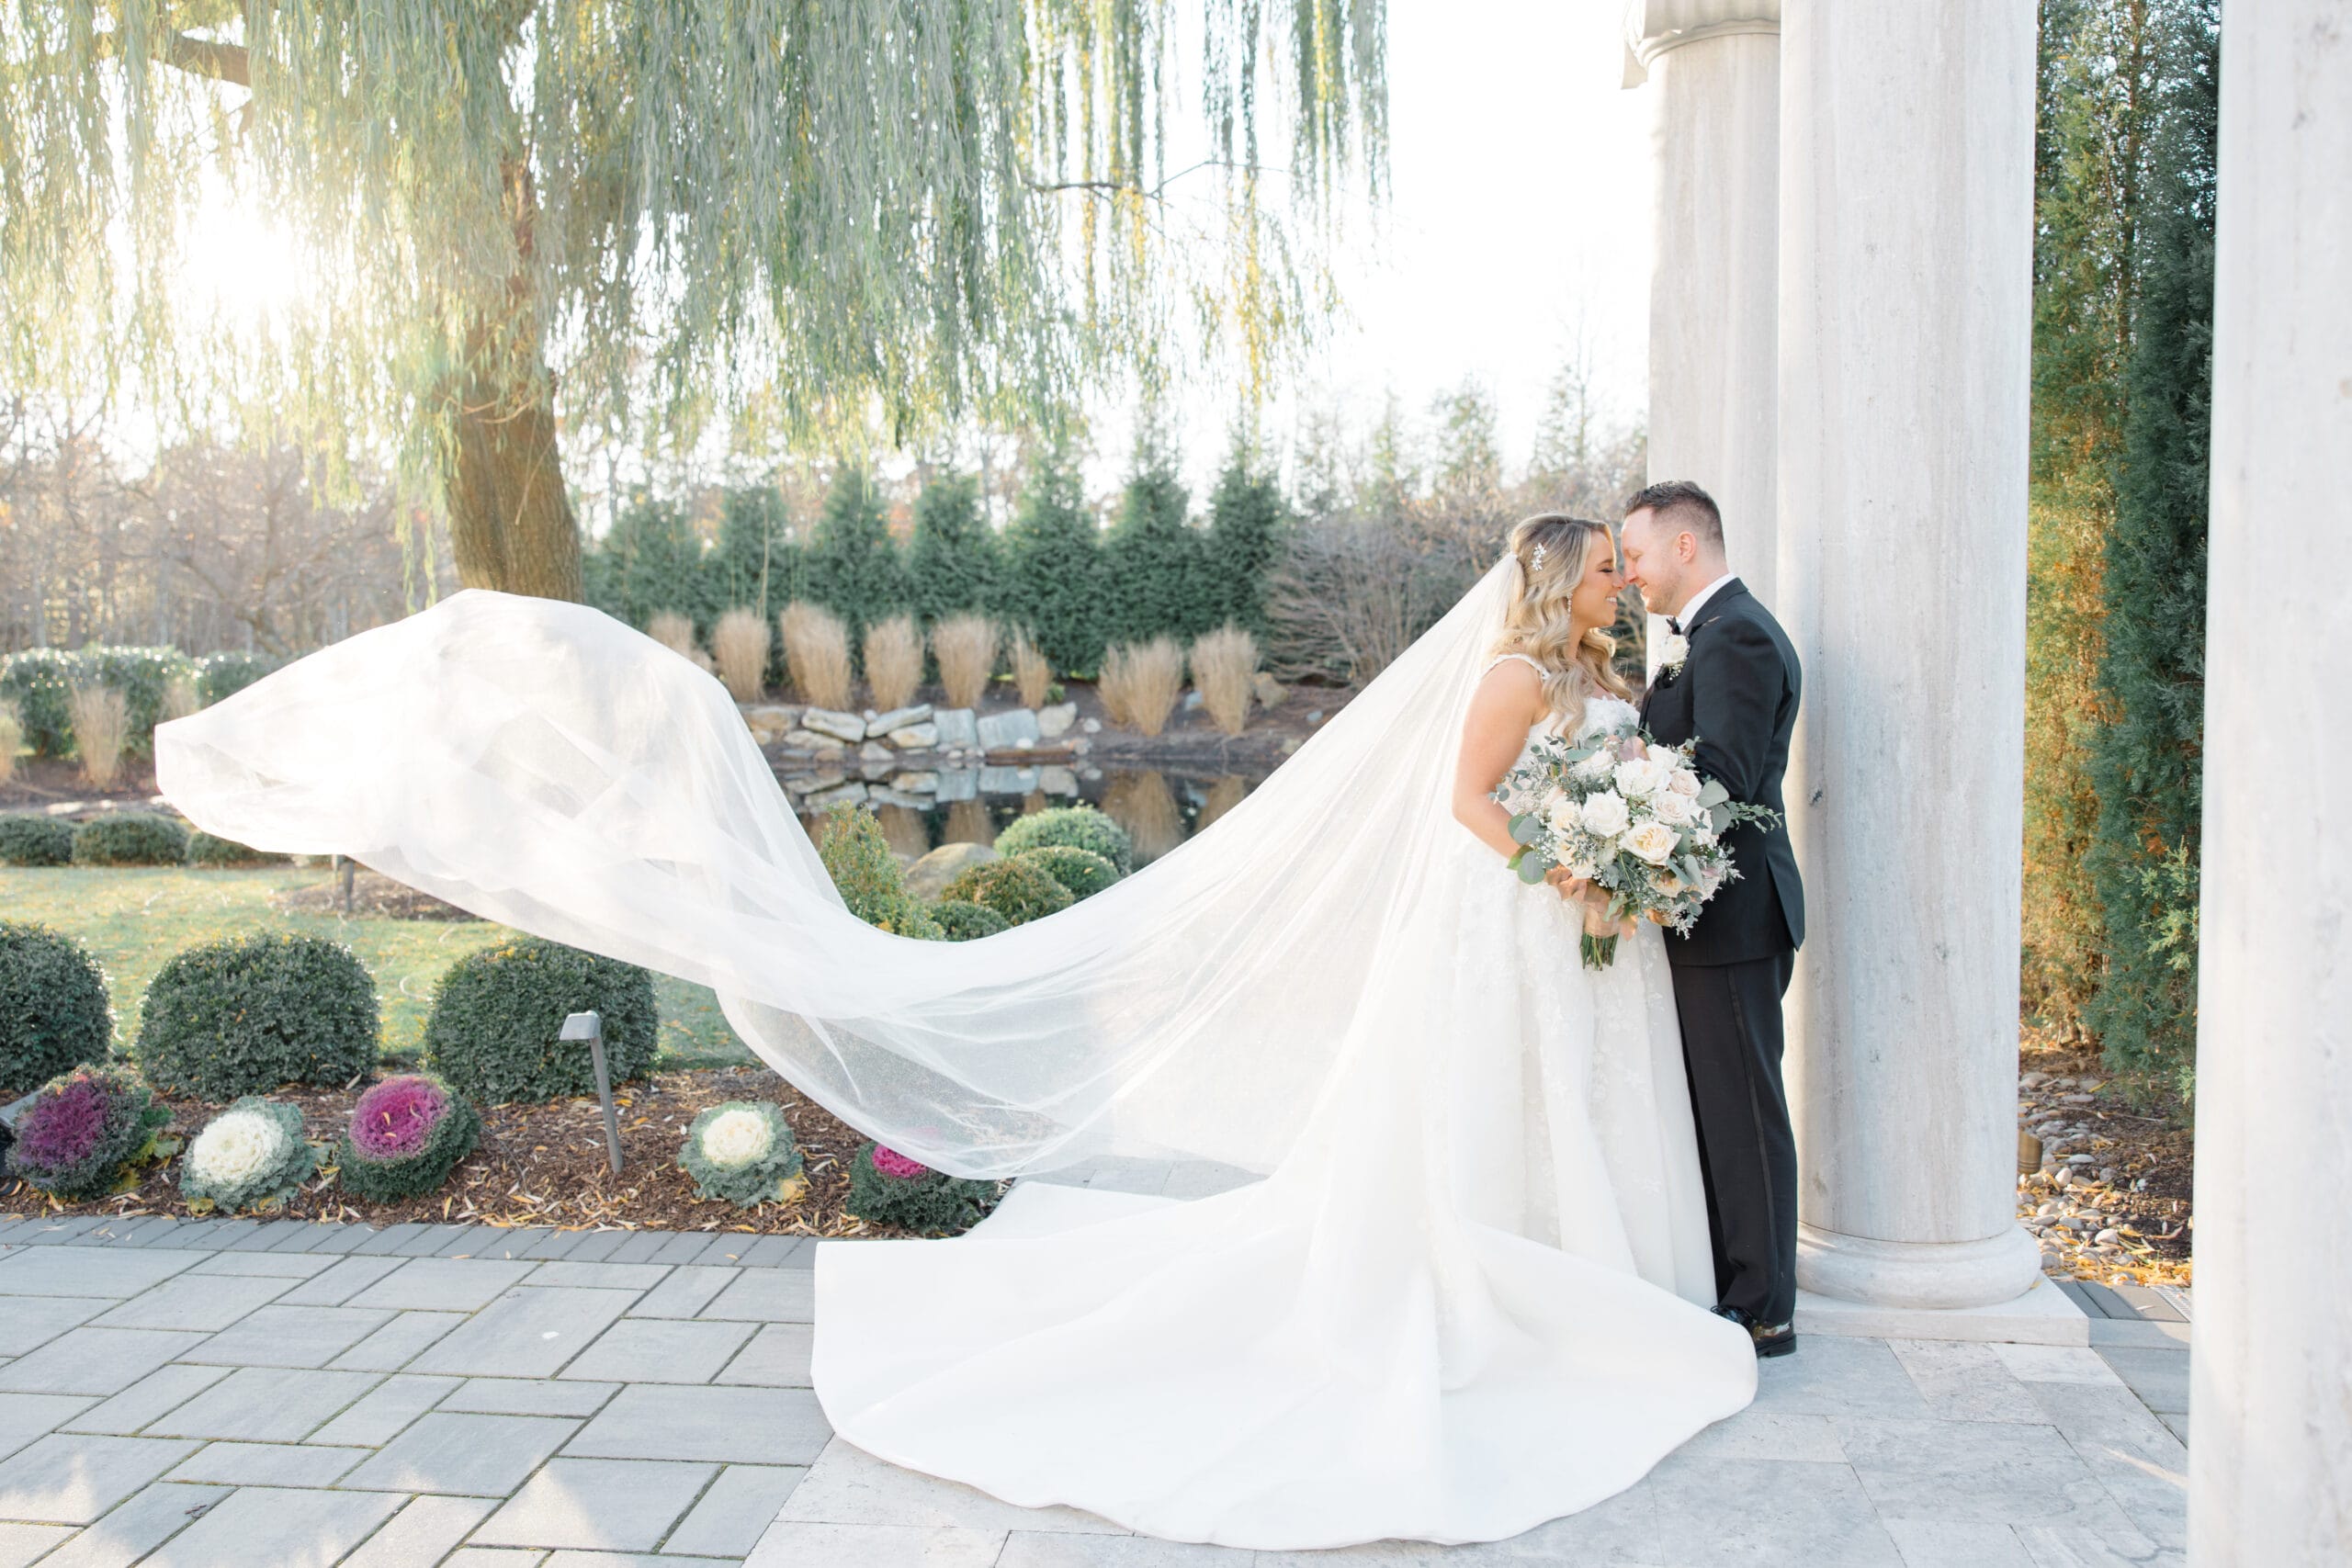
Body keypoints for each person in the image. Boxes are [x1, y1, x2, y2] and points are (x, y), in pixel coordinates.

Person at [155, 513, 1758, 1551]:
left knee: (1546, 1105)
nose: (1628, 576)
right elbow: (1467, 802)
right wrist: (1567, 859)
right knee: (1467, 1120)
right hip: (1509, 917)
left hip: (1557, 931)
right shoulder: (1502, 668)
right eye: (1610, 566)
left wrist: (1610, 851)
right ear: (1564, 577)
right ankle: (1513, 1282)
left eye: (1633, 564)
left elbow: (1566, 776)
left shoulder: (1589, 666)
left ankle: (1580, 1261)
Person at [1618, 479, 1806, 1358]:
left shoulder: (1735, 638)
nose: (1631, 574)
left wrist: (1621, 804)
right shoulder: (1714, 635)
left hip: (1731, 915)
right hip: (1707, 913)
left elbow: (1721, 777)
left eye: (1638, 554)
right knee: (1717, 1106)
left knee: (1743, 1111)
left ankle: (1765, 1308)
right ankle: (1737, 1284)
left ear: (1685, 546)